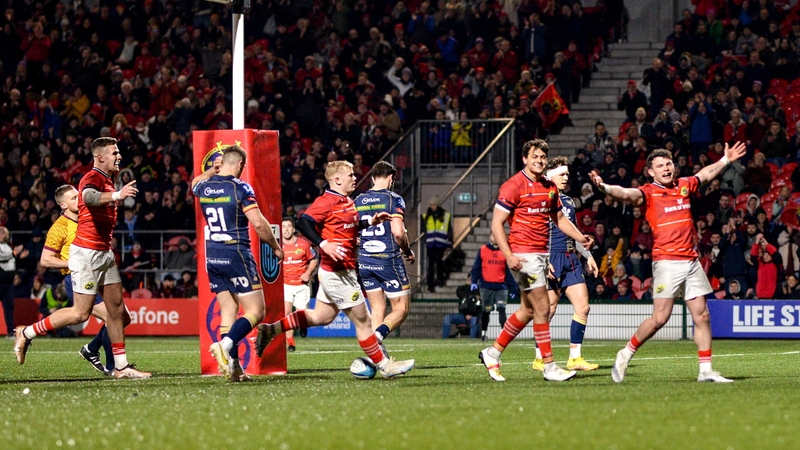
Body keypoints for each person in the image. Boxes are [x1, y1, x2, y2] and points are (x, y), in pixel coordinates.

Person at [589, 141, 747, 383]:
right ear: (651, 172)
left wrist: (725, 160)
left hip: (691, 262)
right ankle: (625, 353)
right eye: (660, 166)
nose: (666, 168)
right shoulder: (648, 192)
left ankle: (705, 371)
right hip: (667, 262)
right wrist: (606, 188)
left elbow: (704, 174)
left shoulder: (684, 185)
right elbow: (626, 194)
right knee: (660, 319)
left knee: (702, 315)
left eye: (668, 164)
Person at [255, 161, 414, 379]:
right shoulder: (327, 201)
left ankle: (270, 330)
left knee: (321, 317)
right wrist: (323, 244)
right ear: (337, 179)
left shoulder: (348, 201)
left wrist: (370, 221)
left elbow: (349, 225)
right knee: (364, 321)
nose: (355, 178)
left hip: (339, 270)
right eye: (350, 175)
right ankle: (386, 366)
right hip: (338, 273)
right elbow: (304, 222)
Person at [14, 137, 150, 379]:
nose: (119, 156)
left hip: (103, 253)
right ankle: (26, 333)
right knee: (80, 314)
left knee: (118, 311)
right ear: (100, 157)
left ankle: (120, 367)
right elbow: (88, 197)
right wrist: (118, 195)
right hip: (86, 254)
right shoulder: (92, 178)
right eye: (114, 152)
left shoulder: (108, 179)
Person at [478, 139, 594, 382]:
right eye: (535, 157)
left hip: (540, 255)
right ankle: (549, 366)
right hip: (523, 255)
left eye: (543, 157)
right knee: (542, 308)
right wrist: (508, 254)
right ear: (525, 159)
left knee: (528, 310)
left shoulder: (549, 187)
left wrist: (581, 238)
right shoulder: (513, 186)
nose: (539, 161)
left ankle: (492, 352)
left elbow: (560, 219)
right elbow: (496, 224)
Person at [192, 145, 283, 382]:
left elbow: (194, 182)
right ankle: (226, 344)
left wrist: (212, 170)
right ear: (240, 165)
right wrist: (275, 247)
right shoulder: (240, 187)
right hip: (236, 252)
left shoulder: (204, 187)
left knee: (229, 310)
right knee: (256, 310)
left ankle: (234, 369)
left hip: (212, 254)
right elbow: (260, 224)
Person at [531, 157, 600, 372]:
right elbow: (534, 233)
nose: (566, 177)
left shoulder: (569, 201)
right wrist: (542, 260)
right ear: (549, 176)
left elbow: (575, 234)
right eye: (562, 174)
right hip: (551, 258)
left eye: (567, 174)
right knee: (547, 310)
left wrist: (587, 255)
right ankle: (539, 358)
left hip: (571, 258)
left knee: (583, 307)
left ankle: (575, 358)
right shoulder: (541, 198)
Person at [39, 184, 116, 374]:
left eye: (78, 196)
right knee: (113, 317)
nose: (79, 200)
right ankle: (114, 367)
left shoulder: (86, 218)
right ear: (63, 205)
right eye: (73, 198)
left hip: (97, 273)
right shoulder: (60, 227)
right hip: (76, 278)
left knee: (120, 317)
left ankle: (91, 349)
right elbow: (46, 259)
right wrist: (72, 263)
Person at [355, 161, 416, 345]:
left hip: (365, 261)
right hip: (388, 261)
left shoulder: (358, 200)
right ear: (391, 178)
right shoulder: (393, 199)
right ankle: (378, 336)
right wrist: (407, 250)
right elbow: (398, 233)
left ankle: (376, 355)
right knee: (401, 308)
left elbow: (351, 231)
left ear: (373, 178)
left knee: (377, 308)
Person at [469, 233, 517, 342]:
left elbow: (508, 271)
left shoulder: (505, 252)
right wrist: (473, 281)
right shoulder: (483, 250)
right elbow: (476, 268)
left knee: (501, 309)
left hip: (501, 286)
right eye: (494, 236)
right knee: (486, 311)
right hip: (486, 286)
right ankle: (483, 333)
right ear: (490, 237)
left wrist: (513, 286)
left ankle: (504, 336)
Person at [281, 216, 317, 352]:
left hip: (301, 285)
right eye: (283, 227)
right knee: (287, 313)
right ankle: (290, 342)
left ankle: (303, 325)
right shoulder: (277, 245)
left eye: (289, 226)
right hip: (286, 284)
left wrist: (307, 273)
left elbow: (313, 260)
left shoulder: (304, 244)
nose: (286, 230)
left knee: (301, 314)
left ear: (293, 229)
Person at [422, 196, 452, 292]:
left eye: (434, 205)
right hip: (431, 243)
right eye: (431, 205)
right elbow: (424, 229)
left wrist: (449, 242)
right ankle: (431, 284)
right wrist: (425, 240)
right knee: (431, 264)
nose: (432, 207)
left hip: (440, 242)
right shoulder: (426, 215)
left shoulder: (445, 216)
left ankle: (440, 279)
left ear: (437, 205)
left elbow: (449, 229)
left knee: (438, 261)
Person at [0, 226, 18, 336]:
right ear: (1, 234)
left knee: (9, 307)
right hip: (0, 280)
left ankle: (10, 331)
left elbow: (11, 262)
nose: (8, 236)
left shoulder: (8, 246)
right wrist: (14, 254)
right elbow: (2, 257)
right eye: (6, 234)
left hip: (9, 282)